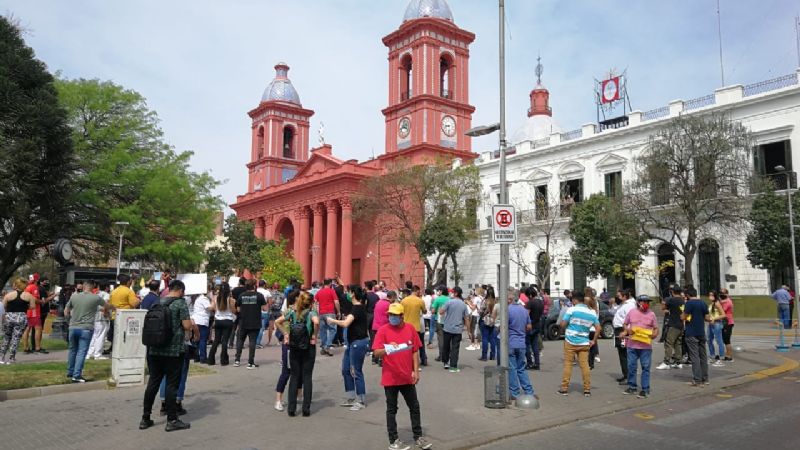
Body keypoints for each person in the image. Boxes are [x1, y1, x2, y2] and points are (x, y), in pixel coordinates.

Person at [372, 303, 432, 450]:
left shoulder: (410, 329)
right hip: (390, 377)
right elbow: (376, 352)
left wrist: (416, 371)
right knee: (392, 409)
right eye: (390, 315)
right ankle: (393, 440)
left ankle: (418, 437)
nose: (391, 317)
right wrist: (387, 348)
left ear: (401, 316)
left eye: (394, 315)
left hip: (406, 376)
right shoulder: (383, 330)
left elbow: (415, 351)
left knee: (414, 406)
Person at [140, 280, 197, 432]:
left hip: (154, 349)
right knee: (172, 384)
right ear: (181, 291)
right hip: (173, 351)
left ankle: (145, 418)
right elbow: (186, 325)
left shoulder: (157, 302)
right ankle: (172, 419)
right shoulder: (180, 303)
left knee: (153, 383)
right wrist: (190, 325)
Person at [276, 291, 320, 417]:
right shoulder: (311, 312)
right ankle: (306, 409)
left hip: (294, 347)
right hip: (308, 347)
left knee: (294, 376)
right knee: (307, 377)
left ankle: (291, 408)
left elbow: (278, 321)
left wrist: (286, 334)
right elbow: (316, 322)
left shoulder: (292, 312)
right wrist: (314, 336)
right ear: (311, 303)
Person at [327, 286, 370, 411]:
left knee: (356, 371)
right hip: (352, 342)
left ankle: (361, 400)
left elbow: (346, 324)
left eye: (348, 292)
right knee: (346, 369)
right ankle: (351, 396)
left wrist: (332, 320)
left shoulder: (357, 308)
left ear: (353, 294)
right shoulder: (355, 307)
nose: (346, 294)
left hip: (358, 342)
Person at [65, 281, 109, 382]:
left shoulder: (74, 296)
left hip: (73, 326)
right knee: (81, 352)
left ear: (84, 287)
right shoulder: (95, 297)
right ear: (92, 287)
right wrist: (114, 308)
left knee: (72, 350)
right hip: (86, 328)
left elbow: (66, 310)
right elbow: (106, 306)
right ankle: (77, 375)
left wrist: (69, 320)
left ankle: (70, 371)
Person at [557, 292, 599, 397]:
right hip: (584, 342)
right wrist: (593, 340)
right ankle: (587, 389)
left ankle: (564, 388)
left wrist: (564, 326)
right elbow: (598, 328)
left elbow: (563, 324)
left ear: (575, 300)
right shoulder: (592, 312)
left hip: (570, 341)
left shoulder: (572, 310)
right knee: (585, 365)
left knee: (568, 365)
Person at [621, 295, 658, 398]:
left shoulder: (652, 314)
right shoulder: (632, 312)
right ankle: (632, 387)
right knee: (631, 367)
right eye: (644, 301)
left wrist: (654, 334)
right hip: (632, 345)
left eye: (648, 302)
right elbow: (625, 324)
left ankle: (645, 389)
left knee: (645, 368)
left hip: (645, 347)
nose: (646, 304)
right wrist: (626, 330)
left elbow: (655, 328)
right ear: (638, 302)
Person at [273, 286, 301, 411]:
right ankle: (278, 400)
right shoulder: (290, 311)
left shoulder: (302, 311)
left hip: (299, 345)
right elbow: (277, 322)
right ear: (296, 299)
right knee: (286, 372)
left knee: (299, 371)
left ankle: (299, 395)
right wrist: (285, 334)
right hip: (289, 345)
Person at [507, 288, 535, 402]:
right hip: (522, 342)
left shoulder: (507, 310)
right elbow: (529, 327)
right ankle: (529, 391)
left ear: (509, 299)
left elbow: (503, 327)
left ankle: (515, 393)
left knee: (512, 369)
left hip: (511, 342)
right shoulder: (524, 310)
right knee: (521, 369)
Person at [0, 278, 36, 364]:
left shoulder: (8, 295)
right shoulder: (29, 296)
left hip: (9, 317)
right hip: (21, 317)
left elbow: (4, 306)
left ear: (16, 285)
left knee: (6, 337)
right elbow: (32, 306)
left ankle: (1, 357)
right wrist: (24, 307)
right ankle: (12, 358)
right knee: (16, 338)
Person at [234, 279, 267, 369]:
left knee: (240, 341)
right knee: (252, 341)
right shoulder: (259, 296)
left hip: (243, 321)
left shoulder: (241, 295)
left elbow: (238, 309)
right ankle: (250, 362)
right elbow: (265, 308)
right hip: (254, 321)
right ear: (254, 286)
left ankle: (237, 360)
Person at [682, 286, 710, 387]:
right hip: (701, 332)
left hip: (691, 332)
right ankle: (705, 378)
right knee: (703, 356)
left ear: (688, 295)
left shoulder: (689, 303)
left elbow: (683, 317)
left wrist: (684, 315)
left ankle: (697, 380)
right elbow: (707, 318)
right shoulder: (703, 303)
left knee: (694, 357)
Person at [108, 274, 141, 355]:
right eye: (130, 281)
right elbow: (134, 304)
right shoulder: (129, 291)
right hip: (125, 317)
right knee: (124, 337)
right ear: (128, 282)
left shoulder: (114, 291)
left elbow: (110, 304)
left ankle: (115, 351)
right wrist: (139, 300)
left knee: (115, 337)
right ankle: (123, 352)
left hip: (114, 316)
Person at [439, 286, 469, 372]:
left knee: (446, 346)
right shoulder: (463, 304)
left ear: (455, 293)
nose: (451, 294)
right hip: (458, 329)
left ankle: (445, 362)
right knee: (455, 348)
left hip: (447, 328)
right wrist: (469, 330)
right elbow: (466, 318)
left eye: (452, 292)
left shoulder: (449, 302)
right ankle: (453, 366)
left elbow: (441, 312)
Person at [657, 286, 685, 370]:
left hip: (673, 324)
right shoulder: (682, 300)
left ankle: (666, 362)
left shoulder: (671, 300)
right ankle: (678, 361)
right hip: (680, 324)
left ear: (672, 292)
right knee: (678, 343)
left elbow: (663, 308)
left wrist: (663, 303)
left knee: (669, 343)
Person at [208, 282, 235, 366]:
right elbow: (234, 311)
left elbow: (212, 308)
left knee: (216, 340)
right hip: (228, 321)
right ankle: (223, 360)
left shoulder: (215, 298)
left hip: (218, 321)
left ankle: (211, 359)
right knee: (225, 341)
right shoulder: (231, 299)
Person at [612, 289, 636, 384]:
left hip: (624, 330)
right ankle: (625, 374)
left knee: (625, 354)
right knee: (621, 353)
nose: (617, 297)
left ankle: (629, 376)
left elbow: (631, 320)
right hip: (619, 330)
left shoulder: (629, 305)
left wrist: (626, 332)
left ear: (624, 296)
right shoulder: (623, 304)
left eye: (618, 296)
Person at [400, 285, 428, 366]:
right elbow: (424, 311)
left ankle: (407, 361)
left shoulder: (404, 301)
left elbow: (401, 312)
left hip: (405, 326)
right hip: (417, 327)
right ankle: (423, 359)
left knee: (406, 345)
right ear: (416, 291)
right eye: (419, 291)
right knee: (420, 344)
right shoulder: (420, 301)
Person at [86, 282, 112, 360]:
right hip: (102, 317)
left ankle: (90, 353)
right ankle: (97, 354)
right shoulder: (107, 295)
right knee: (101, 336)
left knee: (95, 335)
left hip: (95, 316)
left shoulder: (96, 294)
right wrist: (107, 314)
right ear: (107, 287)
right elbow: (105, 306)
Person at [314, 278, 340, 356]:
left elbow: (314, 302)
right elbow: (336, 302)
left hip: (321, 313)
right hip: (330, 312)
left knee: (323, 330)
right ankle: (328, 345)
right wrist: (338, 311)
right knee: (333, 329)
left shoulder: (319, 292)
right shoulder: (332, 291)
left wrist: (317, 311)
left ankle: (323, 346)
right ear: (330, 284)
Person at [22, 273, 45, 354]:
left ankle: (26, 348)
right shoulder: (34, 287)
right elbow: (34, 299)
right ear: (37, 280)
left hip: (27, 311)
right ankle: (37, 348)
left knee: (26, 329)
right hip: (34, 311)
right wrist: (41, 301)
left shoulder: (26, 287)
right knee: (38, 329)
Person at [525, 287, 544, 370]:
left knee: (527, 345)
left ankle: (529, 363)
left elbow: (526, 315)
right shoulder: (540, 302)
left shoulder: (530, 303)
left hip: (530, 326)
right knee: (535, 346)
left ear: (530, 295)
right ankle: (537, 363)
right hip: (537, 325)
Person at [190, 290, 212, 363]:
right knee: (203, 339)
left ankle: (196, 357)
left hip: (196, 320)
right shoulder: (203, 298)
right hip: (202, 321)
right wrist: (214, 303)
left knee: (197, 339)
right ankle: (203, 357)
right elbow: (209, 308)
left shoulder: (196, 298)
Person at [430, 286, 449, 363]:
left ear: (441, 291)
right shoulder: (450, 299)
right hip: (448, 321)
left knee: (441, 339)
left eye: (438, 290)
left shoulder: (438, 299)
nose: (438, 292)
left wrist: (432, 309)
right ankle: (448, 354)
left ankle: (441, 355)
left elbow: (433, 311)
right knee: (448, 339)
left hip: (440, 321)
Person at [372, 289, 392, 365]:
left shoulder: (378, 302)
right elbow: (389, 315)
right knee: (384, 343)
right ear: (392, 297)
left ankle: (374, 359)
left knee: (376, 343)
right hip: (383, 326)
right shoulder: (388, 304)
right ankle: (381, 360)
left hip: (375, 325)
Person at [706, 291, 726, 367]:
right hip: (710, 324)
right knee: (709, 340)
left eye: (712, 295)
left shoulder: (717, 303)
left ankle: (721, 358)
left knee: (719, 341)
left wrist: (714, 318)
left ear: (715, 296)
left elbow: (723, 315)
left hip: (717, 324)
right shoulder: (711, 304)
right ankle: (712, 356)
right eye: (709, 295)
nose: (710, 296)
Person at [478, 292, 497, 362]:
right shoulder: (495, 301)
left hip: (485, 321)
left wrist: (480, 312)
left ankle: (484, 356)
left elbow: (480, 311)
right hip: (492, 321)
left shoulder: (485, 301)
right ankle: (492, 355)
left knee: (485, 338)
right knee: (492, 338)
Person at [256, 280, 272, 349]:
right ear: (264, 285)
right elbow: (270, 302)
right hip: (264, 311)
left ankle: (253, 341)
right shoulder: (267, 292)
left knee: (254, 327)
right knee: (261, 328)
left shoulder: (255, 291)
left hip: (254, 311)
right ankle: (257, 343)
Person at [719, 290, 735, 362]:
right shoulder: (722, 301)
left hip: (728, 322)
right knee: (724, 339)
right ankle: (727, 354)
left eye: (723, 293)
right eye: (721, 293)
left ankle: (729, 356)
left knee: (726, 339)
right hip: (724, 322)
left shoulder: (728, 302)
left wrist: (718, 304)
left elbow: (722, 310)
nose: (722, 294)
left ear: (727, 294)